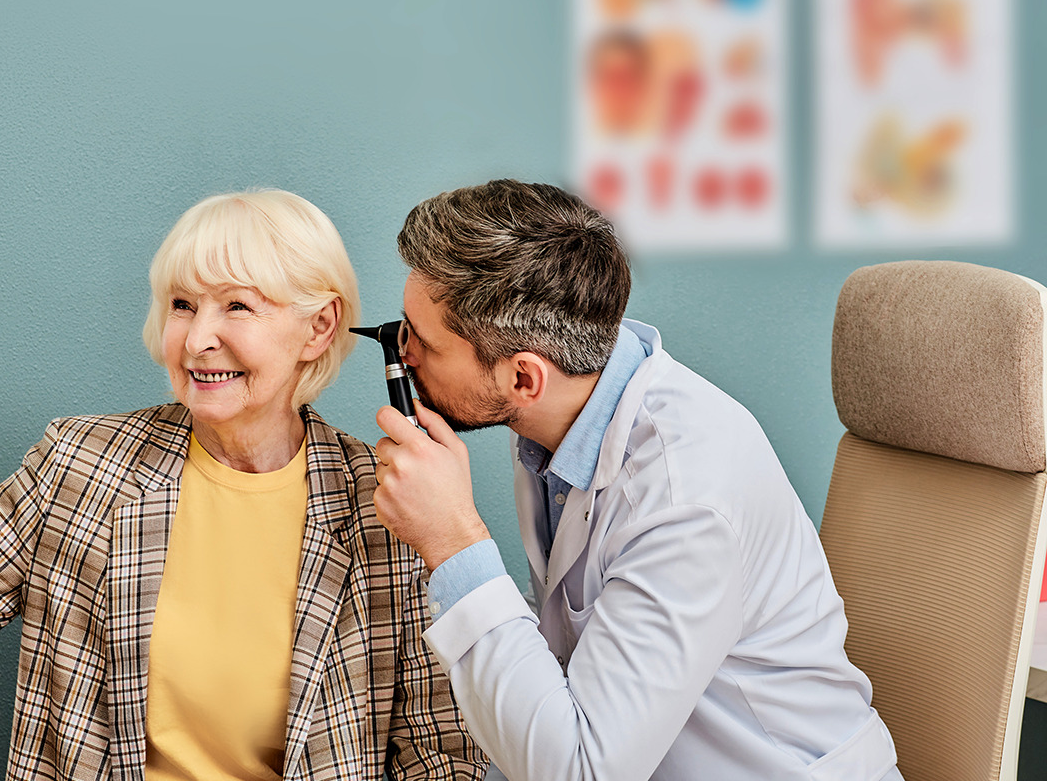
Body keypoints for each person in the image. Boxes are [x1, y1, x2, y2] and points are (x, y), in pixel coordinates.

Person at [0, 190, 486, 781]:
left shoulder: (390, 508)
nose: (197, 339)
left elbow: (439, 755)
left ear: (319, 327)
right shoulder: (81, 463)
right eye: (183, 305)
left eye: (237, 305)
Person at [370, 179, 904, 780]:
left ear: (524, 378)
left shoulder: (684, 499)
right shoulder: (566, 415)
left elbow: (581, 770)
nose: (403, 352)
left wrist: (455, 541)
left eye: (422, 340)